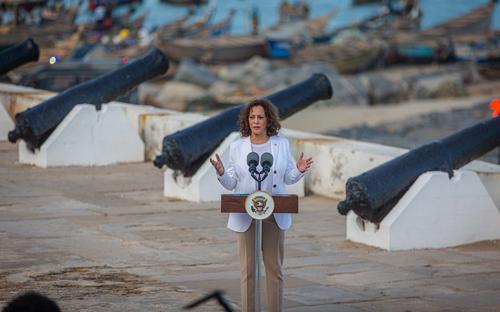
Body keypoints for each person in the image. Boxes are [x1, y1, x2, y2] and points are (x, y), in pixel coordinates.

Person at [210, 98, 313, 312]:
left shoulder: (281, 144)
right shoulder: (237, 146)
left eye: (260, 117)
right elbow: (231, 183)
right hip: (245, 211)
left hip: (274, 211)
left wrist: (300, 169)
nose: (256, 121)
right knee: (247, 269)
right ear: (247, 121)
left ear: (268, 120)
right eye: (252, 117)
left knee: (274, 268)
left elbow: (288, 178)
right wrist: (221, 172)